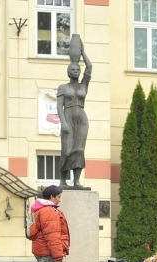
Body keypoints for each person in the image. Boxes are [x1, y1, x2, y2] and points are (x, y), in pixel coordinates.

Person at [57, 35, 92, 188]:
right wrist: (63, 122)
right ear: (68, 72)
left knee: (79, 149)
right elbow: (59, 106)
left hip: (82, 120)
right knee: (66, 149)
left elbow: (89, 67)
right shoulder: (63, 87)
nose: (76, 71)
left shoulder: (84, 85)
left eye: (78, 69)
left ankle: (76, 181)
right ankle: (63, 180)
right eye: (73, 69)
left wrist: (82, 53)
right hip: (68, 118)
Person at [31, 185, 70, 262]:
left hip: (43, 250)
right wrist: (58, 255)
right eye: (58, 197)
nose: (60, 200)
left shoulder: (43, 209)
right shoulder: (48, 211)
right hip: (47, 251)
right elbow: (52, 236)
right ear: (51, 197)